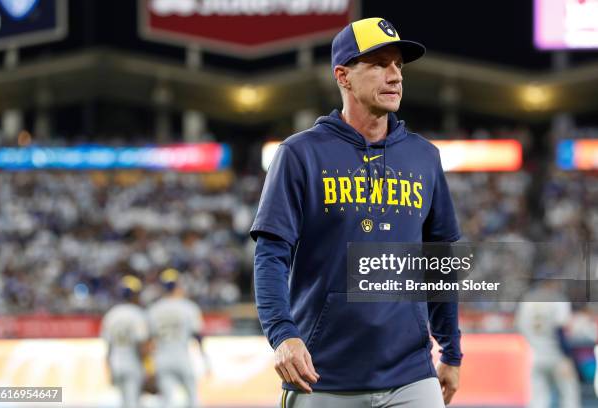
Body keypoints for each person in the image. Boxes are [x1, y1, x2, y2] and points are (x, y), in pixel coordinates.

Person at [251, 17, 462, 408]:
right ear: (343, 76)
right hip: (323, 377)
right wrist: (283, 334)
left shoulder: (424, 156)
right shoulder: (300, 154)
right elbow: (270, 256)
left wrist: (450, 351)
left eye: (398, 64)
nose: (395, 75)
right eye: (380, 64)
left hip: (411, 376)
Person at [516, 281, 580, 408]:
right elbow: (560, 328)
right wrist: (567, 355)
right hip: (558, 355)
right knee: (569, 396)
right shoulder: (558, 299)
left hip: (534, 355)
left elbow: (520, 327)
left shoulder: (528, 300)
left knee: (538, 399)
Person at [147, 268, 205, 408]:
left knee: (167, 401)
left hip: (162, 358)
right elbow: (197, 335)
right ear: (178, 285)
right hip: (182, 357)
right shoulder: (188, 307)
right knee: (192, 398)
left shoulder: (154, 309)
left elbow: (148, 340)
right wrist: (204, 357)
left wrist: (148, 365)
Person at [101, 275, 150, 408]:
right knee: (133, 402)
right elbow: (142, 344)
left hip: (116, 364)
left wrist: (109, 368)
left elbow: (108, 347)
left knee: (124, 402)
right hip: (132, 363)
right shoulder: (137, 314)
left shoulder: (111, 314)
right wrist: (148, 368)